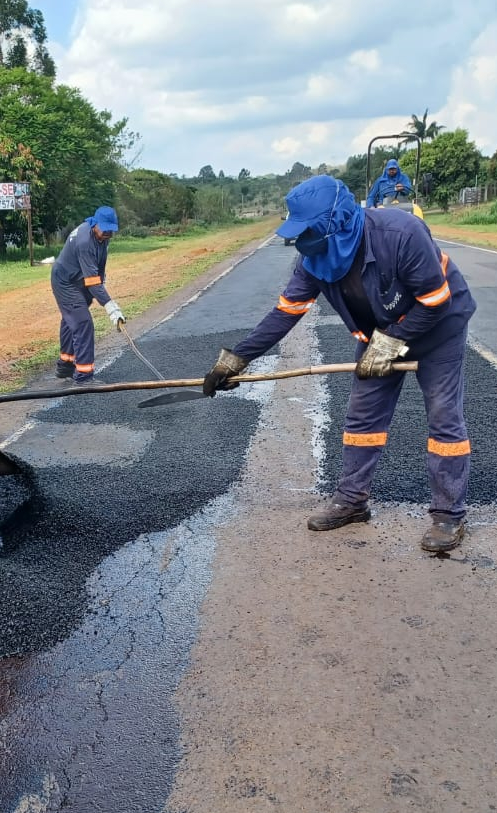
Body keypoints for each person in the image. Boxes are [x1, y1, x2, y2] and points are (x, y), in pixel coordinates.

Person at [202, 174, 475, 553]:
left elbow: (435, 300)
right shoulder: (314, 260)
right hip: (378, 335)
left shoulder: (401, 233)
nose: (300, 242)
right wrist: (237, 359)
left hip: (438, 329)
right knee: (362, 419)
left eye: (307, 232)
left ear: (336, 222)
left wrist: (394, 341)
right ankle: (352, 500)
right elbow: (286, 312)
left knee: (444, 416)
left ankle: (448, 514)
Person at [50, 205, 125, 382]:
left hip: (79, 279)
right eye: (105, 229)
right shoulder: (85, 241)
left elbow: (99, 267)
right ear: (95, 224)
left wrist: (101, 282)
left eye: (111, 230)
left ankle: (66, 366)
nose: (108, 233)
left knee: (72, 320)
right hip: (66, 282)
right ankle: (84, 375)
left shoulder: (102, 237)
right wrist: (111, 307)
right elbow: (92, 282)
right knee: (83, 323)